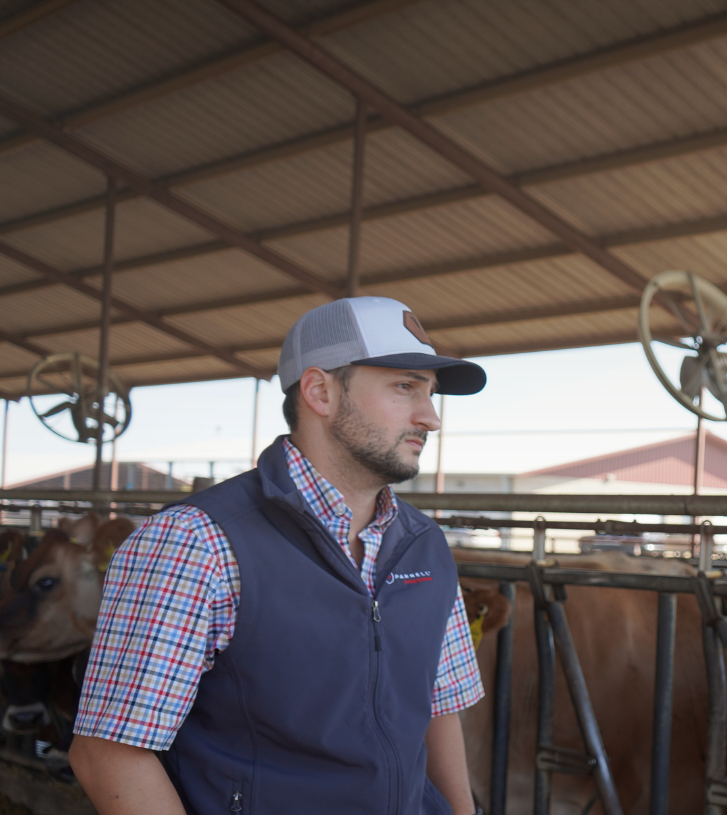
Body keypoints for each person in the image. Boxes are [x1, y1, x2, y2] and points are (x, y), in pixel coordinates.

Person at [69, 297, 490, 815]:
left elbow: (438, 707)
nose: (431, 417)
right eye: (405, 386)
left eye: (430, 392)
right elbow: (108, 755)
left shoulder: (424, 543)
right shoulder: (196, 541)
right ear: (320, 392)